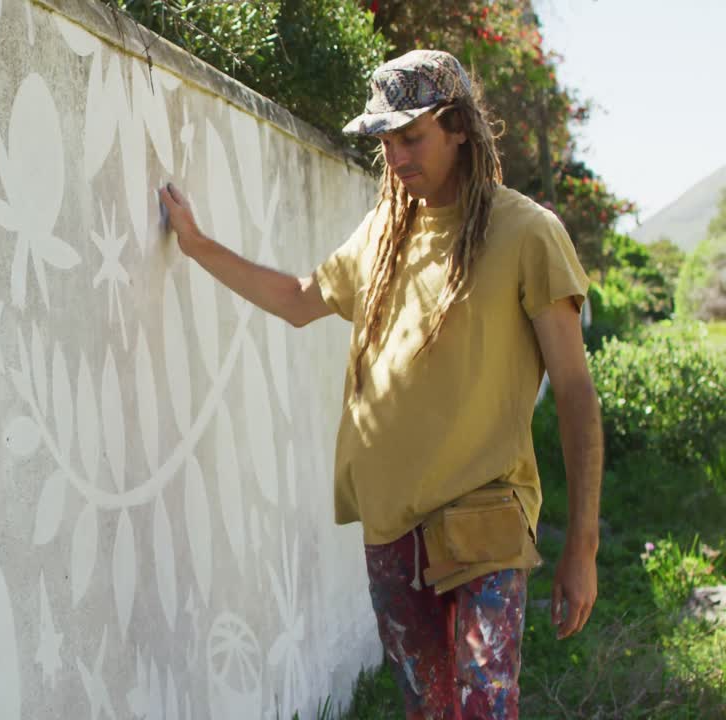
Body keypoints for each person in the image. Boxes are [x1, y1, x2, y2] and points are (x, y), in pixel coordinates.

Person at [158, 49, 601, 719]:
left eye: (411, 137)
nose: (395, 156)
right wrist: (197, 245)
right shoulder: (384, 233)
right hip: (393, 531)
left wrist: (583, 547)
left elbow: (575, 393)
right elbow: (300, 300)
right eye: (386, 141)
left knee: (485, 710)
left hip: (486, 520)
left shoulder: (527, 234)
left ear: (458, 128)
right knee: (428, 711)